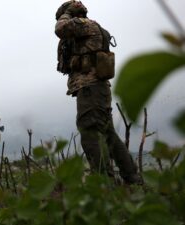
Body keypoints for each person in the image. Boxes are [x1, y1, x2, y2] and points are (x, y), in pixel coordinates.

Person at [54, 1, 142, 184]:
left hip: (91, 88)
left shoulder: (83, 24)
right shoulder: (93, 27)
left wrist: (67, 13)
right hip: (97, 89)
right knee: (108, 134)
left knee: (89, 132)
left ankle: (104, 183)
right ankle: (132, 178)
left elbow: (60, 29)